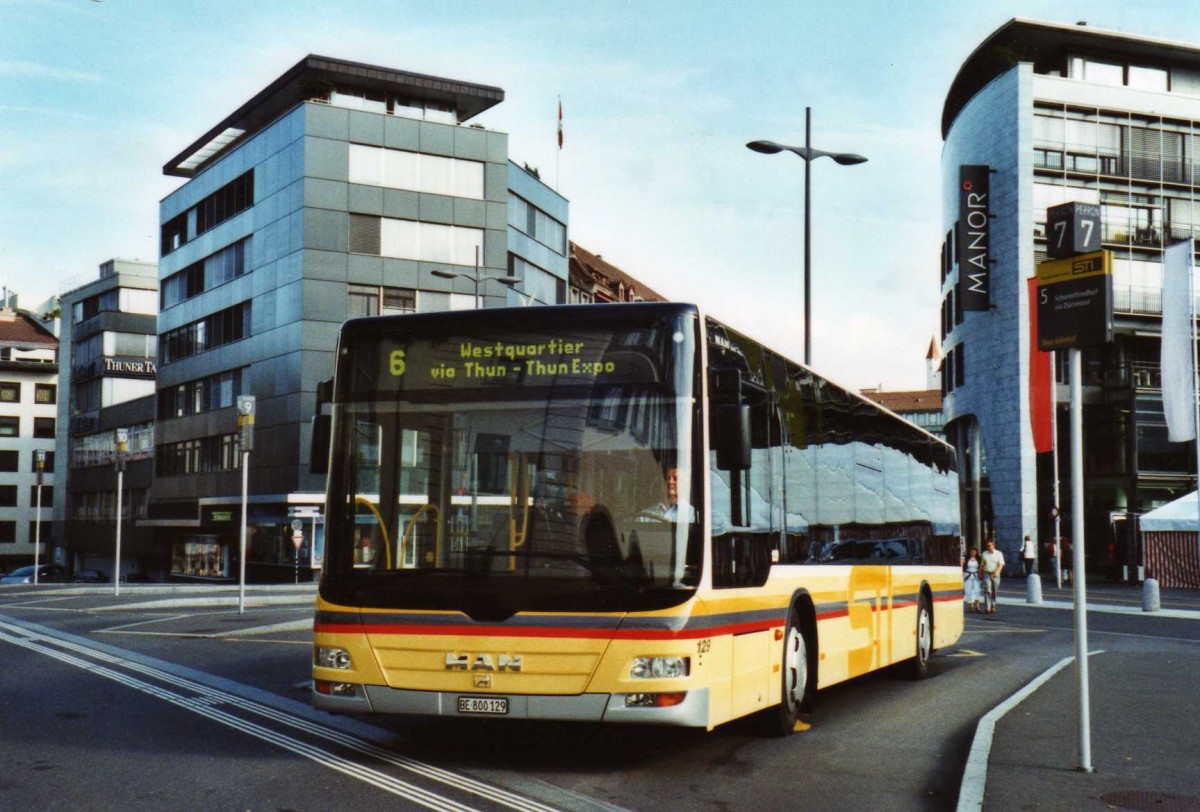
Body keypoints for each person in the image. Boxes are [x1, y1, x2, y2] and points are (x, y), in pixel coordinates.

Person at [981, 538, 1005, 614]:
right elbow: (982, 564)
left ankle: (993, 606)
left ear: (993, 545)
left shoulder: (999, 553)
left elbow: (1001, 564)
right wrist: (980, 573)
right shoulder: (984, 553)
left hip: (995, 574)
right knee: (988, 590)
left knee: (994, 591)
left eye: (989, 546)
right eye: (987, 546)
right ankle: (988, 607)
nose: (988, 547)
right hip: (987, 573)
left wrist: (997, 572)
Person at [962, 547, 983, 613]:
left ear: (976, 552)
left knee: (977, 590)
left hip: (976, 575)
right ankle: (971, 606)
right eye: (971, 552)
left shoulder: (979, 559)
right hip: (968, 575)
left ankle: (977, 606)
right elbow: (962, 566)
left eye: (974, 552)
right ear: (969, 552)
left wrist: (981, 574)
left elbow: (981, 567)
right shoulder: (966, 558)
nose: (973, 553)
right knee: (969, 591)